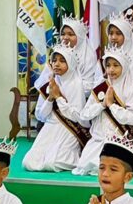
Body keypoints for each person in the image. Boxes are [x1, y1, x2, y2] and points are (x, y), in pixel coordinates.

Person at [73, 48, 133, 176]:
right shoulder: (100, 87)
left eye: (116, 65)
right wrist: (102, 104)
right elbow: (84, 115)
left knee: (106, 167)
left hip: (119, 141)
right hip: (98, 140)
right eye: (108, 65)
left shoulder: (130, 89)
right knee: (86, 165)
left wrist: (112, 106)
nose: (111, 69)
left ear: (124, 67)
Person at [22, 41, 89, 172]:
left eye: (62, 61)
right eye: (54, 60)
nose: (57, 64)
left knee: (52, 163)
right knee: (29, 162)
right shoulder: (49, 82)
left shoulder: (76, 84)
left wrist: (58, 97)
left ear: (70, 63)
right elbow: (40, 116)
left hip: (68, 130)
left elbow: (77, 117)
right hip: (50, 127)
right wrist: (50, 98)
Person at [34, 15, 100, 97]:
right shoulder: (57, 54)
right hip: (53, 99)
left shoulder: (88, 56)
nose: (65, 37)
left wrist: (63, 90)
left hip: (79, 102)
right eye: (63, 34)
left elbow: (88, 87)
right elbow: (42, 82)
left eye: (70, 34)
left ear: (80, 36)